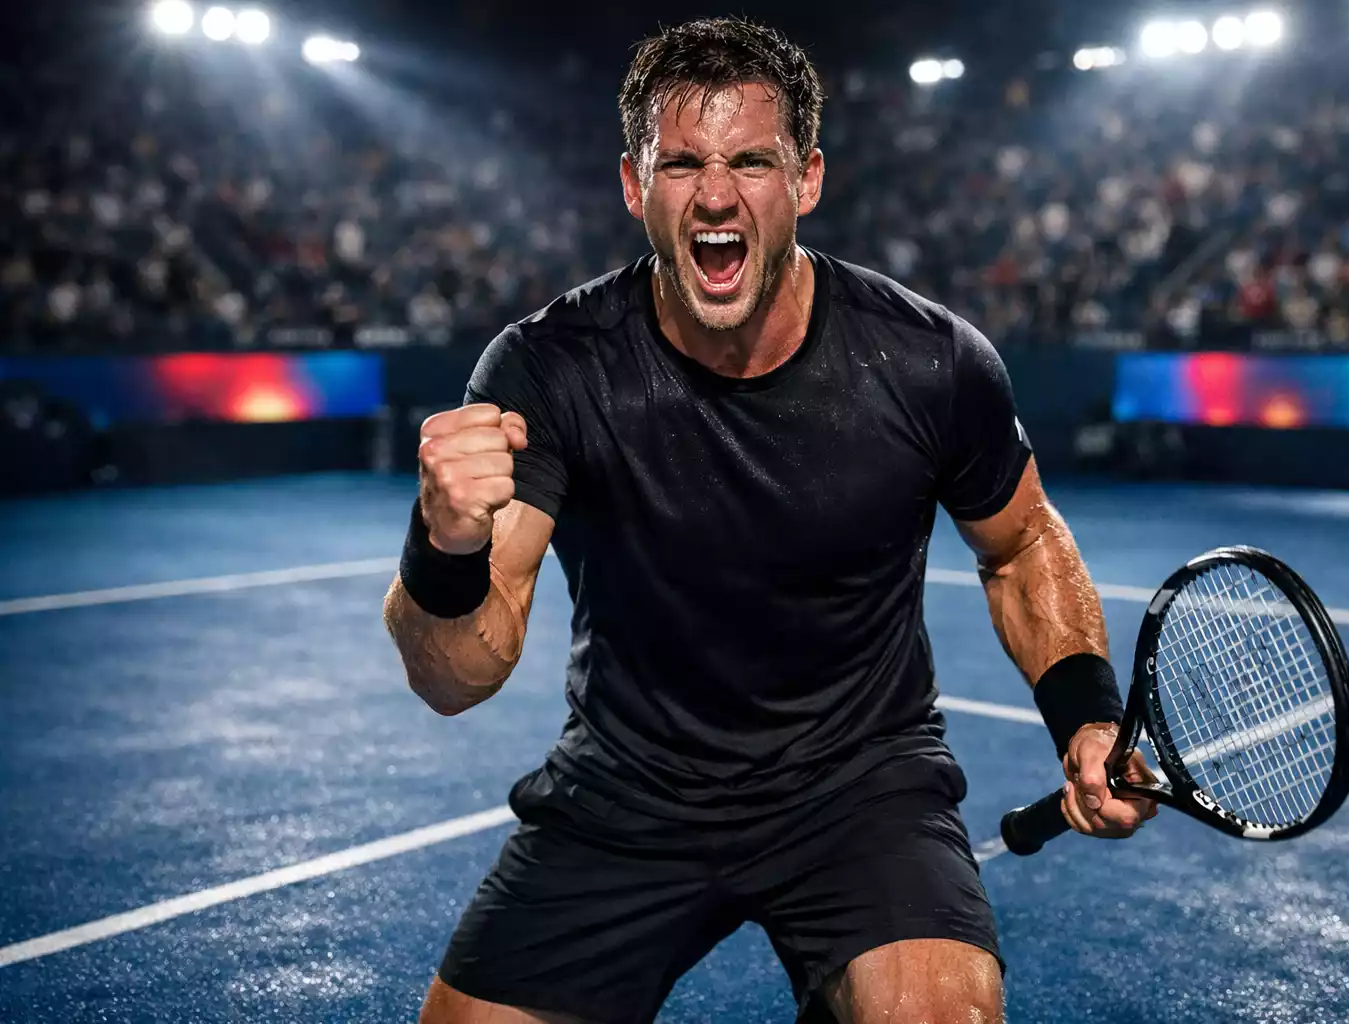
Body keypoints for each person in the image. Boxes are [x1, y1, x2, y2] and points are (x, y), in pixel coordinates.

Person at [383, 18, 1157, 1024]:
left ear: (807, 180)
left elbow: (1020, 543)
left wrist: (1087, 714)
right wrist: (444, 544)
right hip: (629, 788)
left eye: (752, 160)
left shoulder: (929, 360)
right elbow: (454, 678)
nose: (716, 194)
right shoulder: (549, 369)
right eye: (681, 164)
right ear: (634, 187)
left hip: (862, 786)